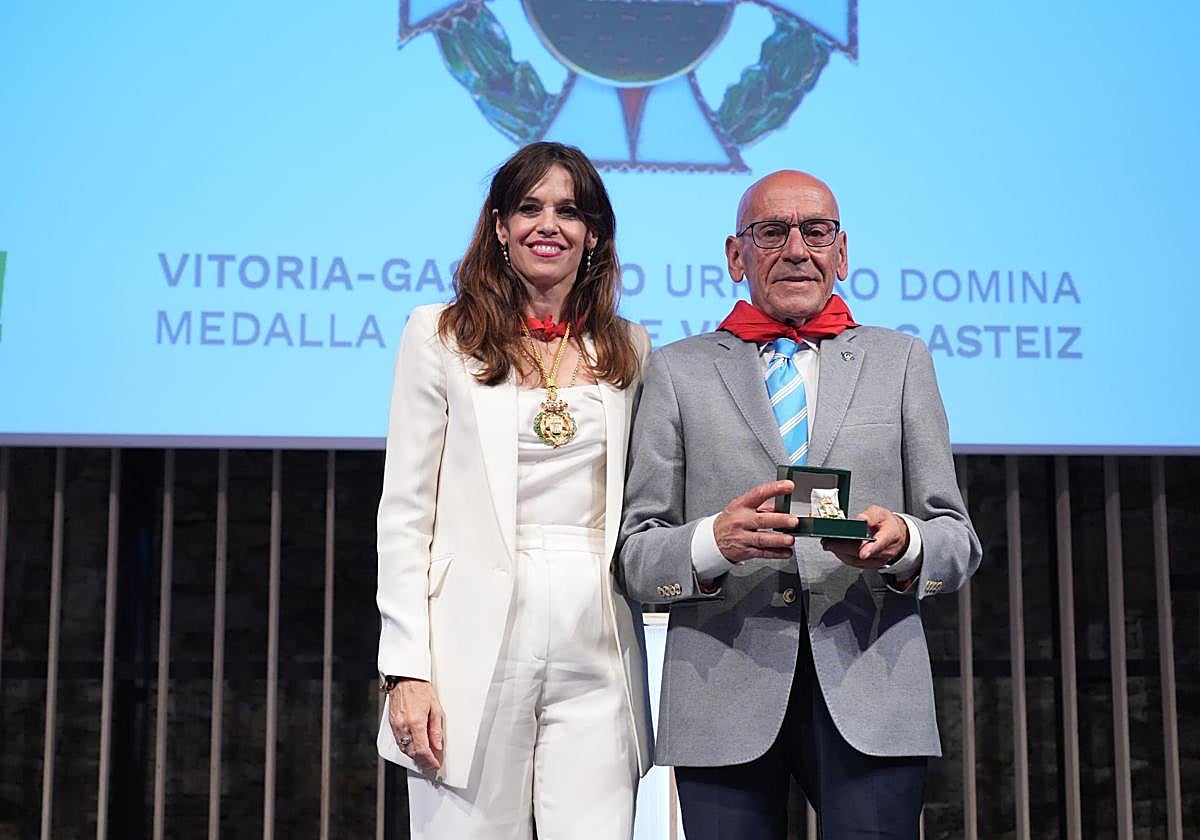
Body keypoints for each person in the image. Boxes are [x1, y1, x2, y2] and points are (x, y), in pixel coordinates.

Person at [617, 170, 982, 839]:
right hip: (720, 694)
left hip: (872, 690)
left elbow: (956, 538)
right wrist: (713, 544)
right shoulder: (677, 370)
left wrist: (904, 542)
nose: (795, 250)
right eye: (771, 232)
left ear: (841, 252)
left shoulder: (901, 361)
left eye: (815, 232)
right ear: (736, 255)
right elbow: (638, 554)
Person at [375, 141, 653, 839]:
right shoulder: (439, 335)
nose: (547, 225)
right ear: (500, 227)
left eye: (569, 211)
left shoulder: (628, 347)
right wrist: (405, 669)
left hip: (598, 635)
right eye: (529, 208)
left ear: (594, 235)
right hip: (470, 642)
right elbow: (406, 514)